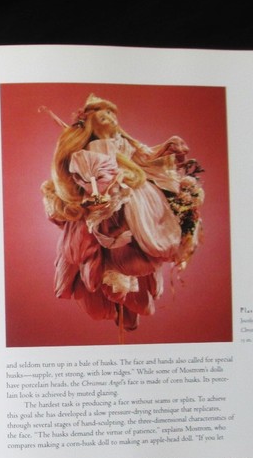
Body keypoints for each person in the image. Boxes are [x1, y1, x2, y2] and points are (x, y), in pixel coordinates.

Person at [40, 95, 204, 333]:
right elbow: (78, 174)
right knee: (97, 255)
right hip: (100, 207)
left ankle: (128, 300)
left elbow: (147, 158)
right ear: (89, 122)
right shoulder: (85, 151)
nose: (109, 118)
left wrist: (168, 148)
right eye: (103, 115)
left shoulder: (126, 144)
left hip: (138, 203)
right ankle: (114, 296)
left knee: (136, 250)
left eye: (111, 114)